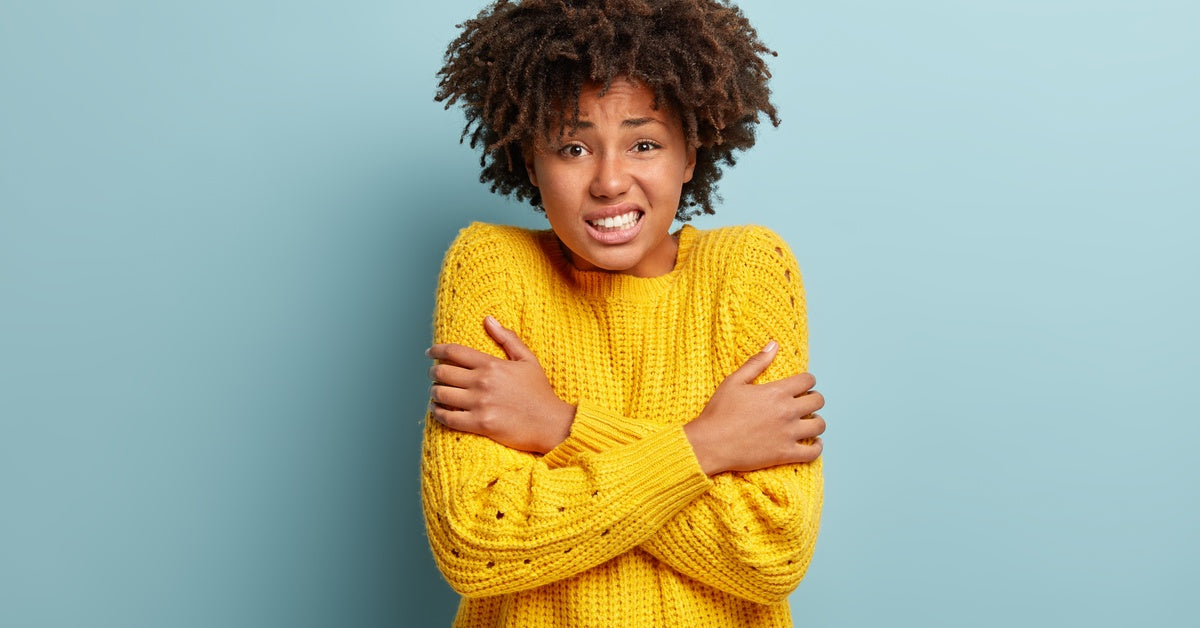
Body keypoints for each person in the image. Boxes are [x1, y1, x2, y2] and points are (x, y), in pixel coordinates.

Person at [421, 1, 826, 626]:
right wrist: (708, 447)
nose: (610, 181)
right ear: (531, 160)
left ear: (689, 155)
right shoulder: (491, 265)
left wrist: (559, 425)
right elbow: (475, 542)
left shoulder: (747, 269)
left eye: (643, 143)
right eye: (573, 147)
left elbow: (770, 553)